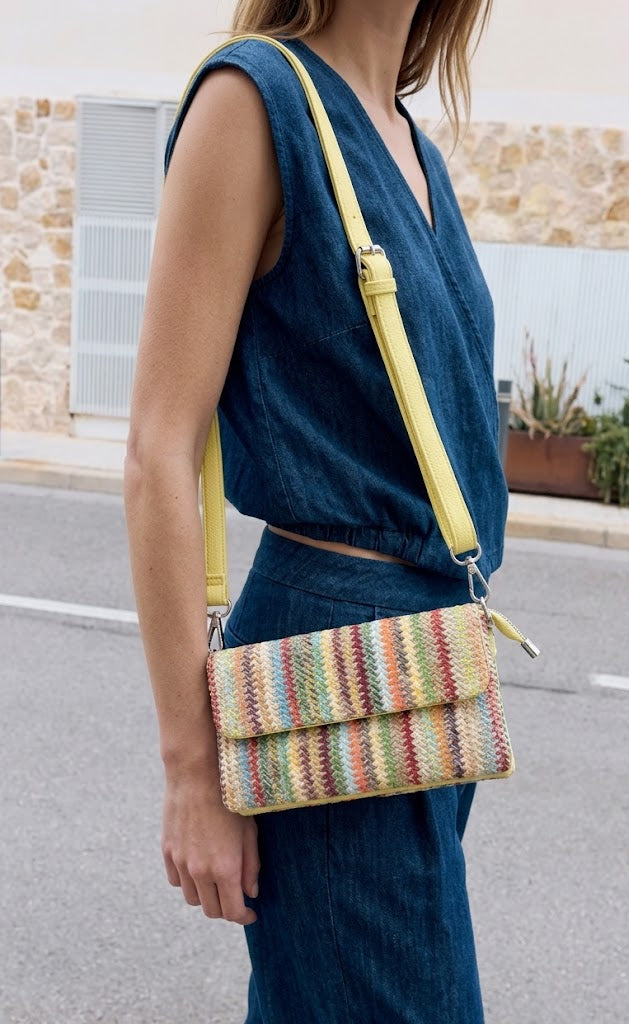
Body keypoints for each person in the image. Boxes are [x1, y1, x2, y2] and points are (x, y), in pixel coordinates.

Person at [124, 1, 507, 1021]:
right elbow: (160, 447)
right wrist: (191, 768)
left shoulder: (404, 135)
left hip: (427, 670)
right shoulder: (255, 101)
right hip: (333, 661)